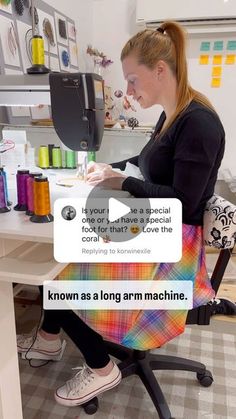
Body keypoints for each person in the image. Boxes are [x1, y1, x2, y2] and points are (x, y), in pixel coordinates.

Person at [17, 21, 225, 407]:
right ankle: (47, 340)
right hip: (158, 228)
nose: (128, 91)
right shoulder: (173, 114)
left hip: (172, 252)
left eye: (132, 80)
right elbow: (148, 162)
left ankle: (100, 366)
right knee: (61, 253)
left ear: (160, 70)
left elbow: (180, 199)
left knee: (53, 277)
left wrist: (122, 184)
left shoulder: (199, 122)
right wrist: (110, 167)